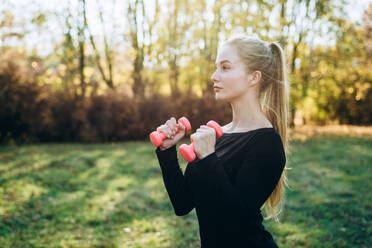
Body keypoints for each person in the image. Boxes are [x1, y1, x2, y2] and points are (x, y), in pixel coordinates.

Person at [154, 34, 290, 248]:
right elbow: (182, 203)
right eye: (216, 67)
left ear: (253, 77)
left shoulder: (267, 144)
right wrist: (167, 151)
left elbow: (234, 219)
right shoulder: (218, 135)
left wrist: (208, 157)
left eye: (225, 68)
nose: (214, 76)